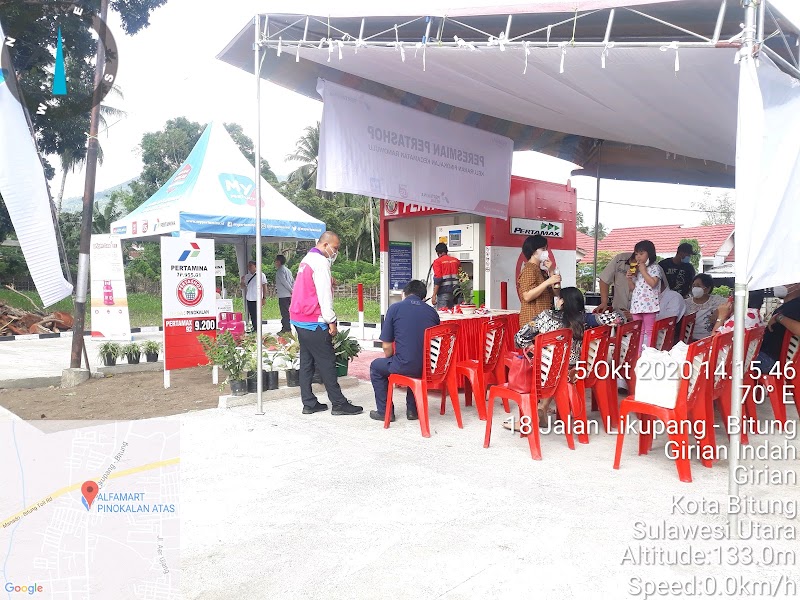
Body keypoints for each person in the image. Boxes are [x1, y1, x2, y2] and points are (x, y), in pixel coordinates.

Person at [289, 231, 363, 416]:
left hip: (299, 319)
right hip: (314, 321)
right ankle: (338, 403)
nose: (335, 252)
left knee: (306, 363)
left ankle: (309, 402)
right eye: (335, 248)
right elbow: (324, 297)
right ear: (325, 245)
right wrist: (332, 322)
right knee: (327, 362)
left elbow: (309, 287)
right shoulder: (321, 263)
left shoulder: (307, 259)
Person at [511, 286, 586, 427]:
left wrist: (532, 347)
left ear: (562, 302)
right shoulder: (584, 321)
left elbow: (519, 338)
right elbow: (617, 318)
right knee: (557, 366)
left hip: (546, 373)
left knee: (548, 364)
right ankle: (542, 408)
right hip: (572, 372)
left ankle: (528, 419)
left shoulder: (546, 317)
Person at [369, 280, 441, 422]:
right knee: (415, 361)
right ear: (423, 296)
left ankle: (385, 412)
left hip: (405, 365)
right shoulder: (432, 312)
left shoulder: (395, 308)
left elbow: (386, 346)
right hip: (428, 367)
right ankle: (412, 411)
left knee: (376, 367)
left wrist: (390, 359)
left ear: (405, 293)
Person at [517, 234, 560, 325]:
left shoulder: (541, 271)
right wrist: (547, 282)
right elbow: (527, 296)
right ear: (533, 251)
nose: (546, 252)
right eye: (543, 249)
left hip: (544, 320)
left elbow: (556, 293)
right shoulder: (529, 269)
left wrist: (551, 271)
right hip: (532, 321)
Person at [756, 282, 800, 371]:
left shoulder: (796, 306)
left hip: (770, 359)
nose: (780, 284)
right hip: (767, 356)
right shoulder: (788, 305)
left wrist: (779, 318)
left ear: (797, 286)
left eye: (786, 282)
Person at [627, 240, 661, 349]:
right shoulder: (637, 270)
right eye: (636, 254)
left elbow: (653, 283)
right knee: (638, 331)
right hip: (637, 306)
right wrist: (629, 279)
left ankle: (649, 354)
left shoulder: (654, 268)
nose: (638, 257)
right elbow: (633, 288)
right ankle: (638, 355)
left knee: (649, 331)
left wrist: (643, 271)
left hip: (649, 306)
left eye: (641, 254)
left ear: (649, 254)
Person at [683, 273, 727, 340]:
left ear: (707, 289)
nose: (695, 288)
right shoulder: (685, 303)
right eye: (693, 286)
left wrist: (718, 312)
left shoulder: (716, 300)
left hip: (710, 338)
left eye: (698, 286)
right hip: (690, 339)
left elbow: (733, 303)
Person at [430, 243, 461, 308]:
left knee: (443, 314)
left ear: (438, 253)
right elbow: (461, 276)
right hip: (456, 293)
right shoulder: (456, 261)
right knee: (454, 315)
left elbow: (438, 279)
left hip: (444, 293)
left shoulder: (437, 262)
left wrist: (434, 295)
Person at [240, 260, 267, 333]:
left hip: (258, 298)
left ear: (255, 266)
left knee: (257, 314)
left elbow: (264, 286)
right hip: (249, 298)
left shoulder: (261, 275)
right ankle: (254, 328)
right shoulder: (247, 276)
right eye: (248, 266)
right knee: (252, 314)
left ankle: (258, 329)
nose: (249, 268)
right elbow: (242, 287)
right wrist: (242, 281)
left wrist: (264, 297)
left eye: (251, 266)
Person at [274, 254, 294, 334]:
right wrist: (292, 290)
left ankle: (287, 329)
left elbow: (284, 282)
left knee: (285, 313)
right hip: (288, 295)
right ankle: (285, 327)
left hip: (283, 295)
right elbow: (292, 281)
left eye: (276, 261)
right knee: (287, 312)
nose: (275, 263)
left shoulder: (280, 271)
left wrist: (291, 290)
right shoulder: (288, 270)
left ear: (279, 261)